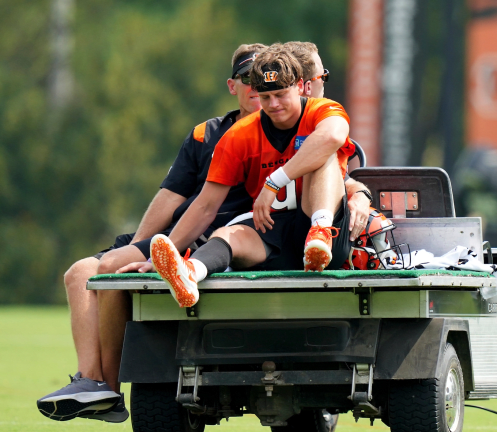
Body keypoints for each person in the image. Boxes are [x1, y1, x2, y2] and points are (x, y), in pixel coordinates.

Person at [35, 42, 268, 423]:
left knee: (111, 273)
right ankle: (94, 382)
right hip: (178, 235)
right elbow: (170, 195)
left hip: (218, 241)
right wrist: (141, 246)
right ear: (233, 85)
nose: (255, 88)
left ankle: (104, 388)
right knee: (80, 273)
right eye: (247, 79)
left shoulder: (279, 131)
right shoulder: (205, 134)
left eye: (263, 79)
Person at [134, 43, 357, 309]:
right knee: (227, 234)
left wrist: (274, 182)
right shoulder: (238, 135)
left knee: (322, 154)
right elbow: (205, 206)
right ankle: (190, 273)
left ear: (300, 86)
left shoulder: (321, 111)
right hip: (274, 230)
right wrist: (156, 259)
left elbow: (332, 137)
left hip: (325, 236)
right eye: (265, 97)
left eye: (281, 94)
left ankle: (319, 231)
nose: (273, 105)